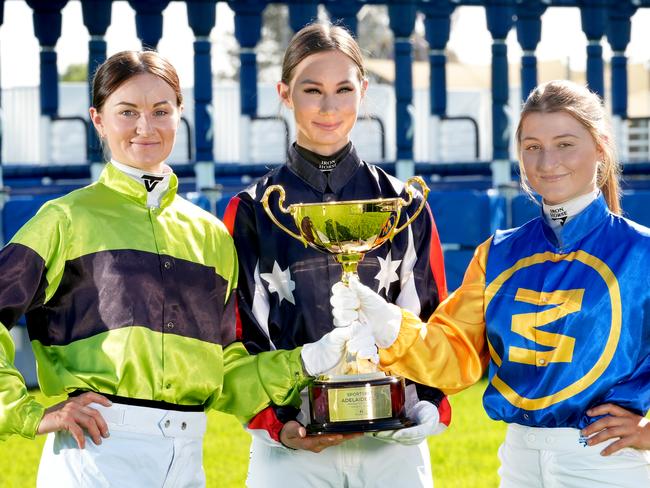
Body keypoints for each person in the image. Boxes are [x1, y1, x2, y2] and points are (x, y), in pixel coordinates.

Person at [0, 50, 374, 488]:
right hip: (95, 453)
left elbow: (227, 369)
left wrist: (307, 362)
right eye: (127, 112)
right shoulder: (63, 219)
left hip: (187, 459)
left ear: (180, 114)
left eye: (161, 110)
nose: (146, 127)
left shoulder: (210, 235)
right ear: (98, 120)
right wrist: (28, 412)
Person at [332, 79, 650, 487]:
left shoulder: (640, 252)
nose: (547, 161)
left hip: (608, 465)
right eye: (532, 146)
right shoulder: (497, 253)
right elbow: (454, 355)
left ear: (601, 146)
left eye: (565, 144)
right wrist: (389, 324)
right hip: (517, 462)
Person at [224, 22, 450, 488]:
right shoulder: (251, 211)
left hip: (393, 443)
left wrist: (428, 400)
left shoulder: (403, 205)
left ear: (363, 91)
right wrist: (277, 424)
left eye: (343, 89)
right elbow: (235, 333)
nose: (329, 107)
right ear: (285, 93)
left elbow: (432, 315)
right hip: (293, 447)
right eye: (312, 90)